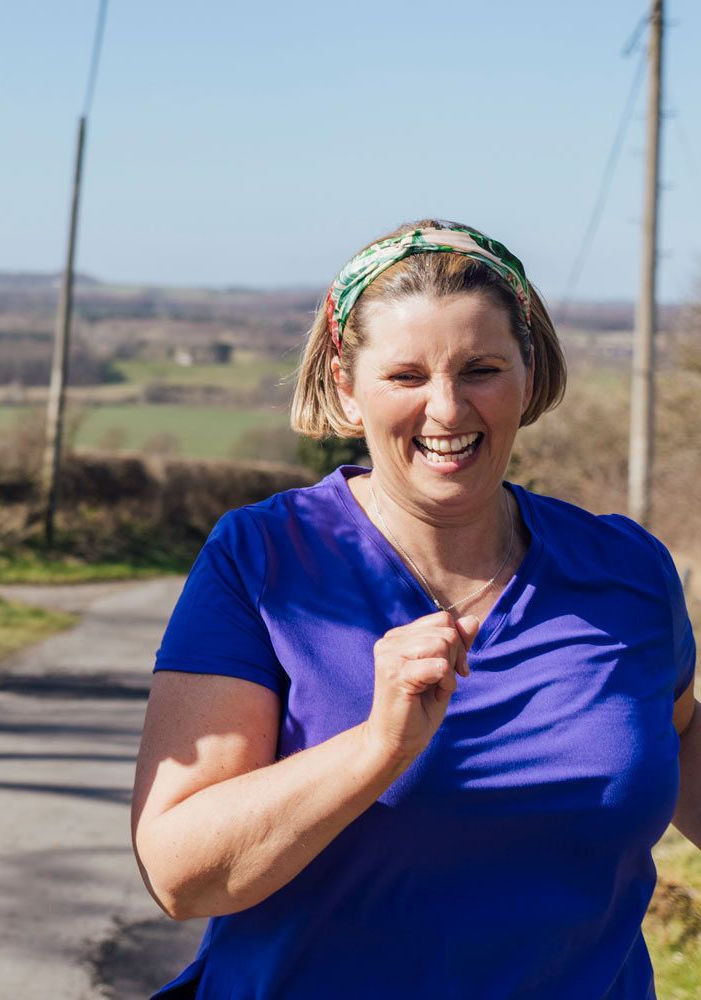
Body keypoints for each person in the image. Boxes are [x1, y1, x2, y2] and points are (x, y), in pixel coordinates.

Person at [130, 221, 698, 998]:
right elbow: (180, 876)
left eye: (482, 369)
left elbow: (674, 736)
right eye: (406, 376)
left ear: (527, 376)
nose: (447, 409)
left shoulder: (629, 571)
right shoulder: (265, 560)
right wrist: (377, 749)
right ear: (346, 385)